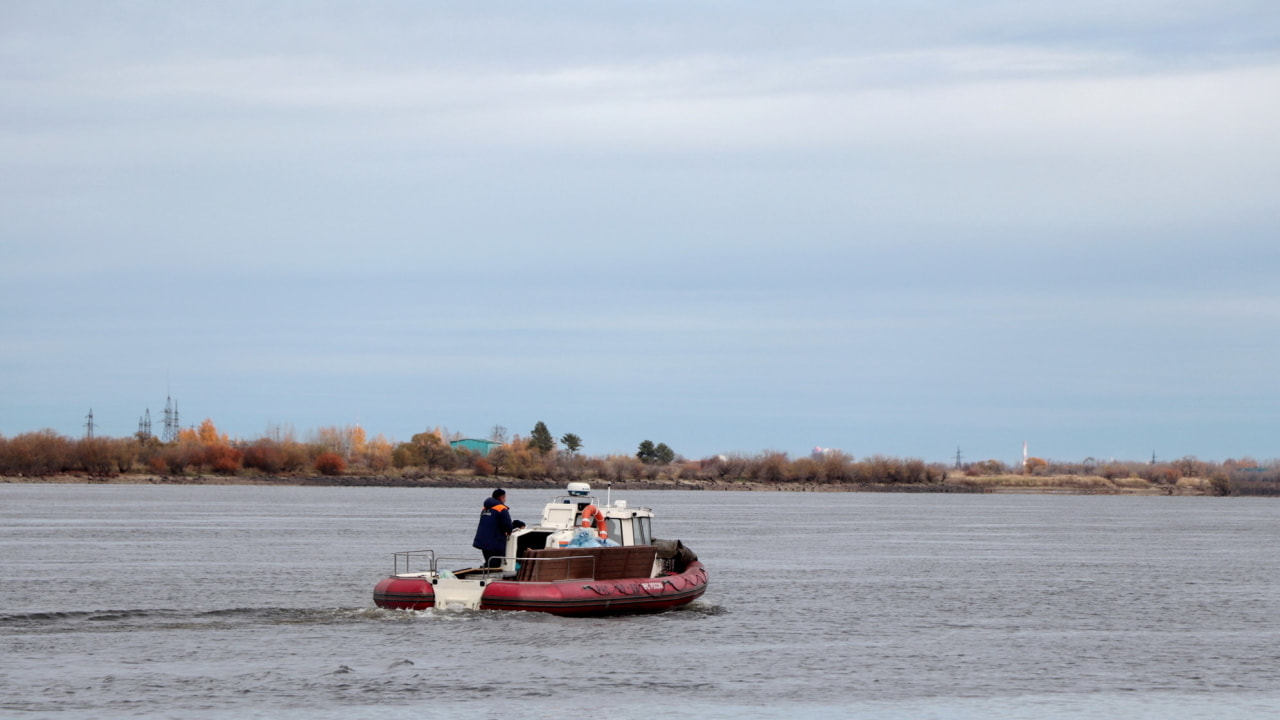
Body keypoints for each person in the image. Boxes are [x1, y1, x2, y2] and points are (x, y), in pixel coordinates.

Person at [472, 488, 513, 568]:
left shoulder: (486, 509)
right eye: (505, 497)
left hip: (482, 540)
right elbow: (508, 525)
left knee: (489, 560)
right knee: (495, 563)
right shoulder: (501, 509)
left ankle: (484, 570)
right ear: (502, 497)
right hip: (494, 541)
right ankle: (489, 577)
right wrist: (509, 532)